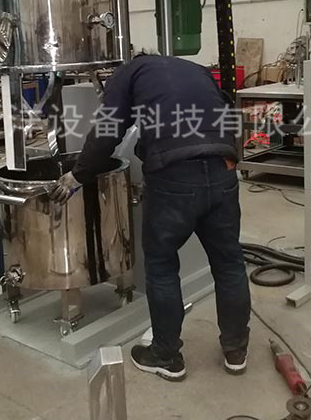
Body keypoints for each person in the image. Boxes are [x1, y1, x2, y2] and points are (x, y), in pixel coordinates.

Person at [49, 54, 250, 381]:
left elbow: (108, 130)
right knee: (229, 263)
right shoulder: (195, 70)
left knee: (161, 264)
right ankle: (236, 350)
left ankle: (166, 355)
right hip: (223, 170)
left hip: (174, 180)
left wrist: (78, 175)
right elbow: (224, 110)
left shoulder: (128, 72)